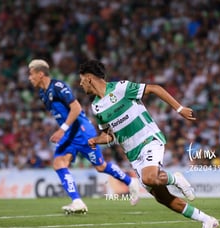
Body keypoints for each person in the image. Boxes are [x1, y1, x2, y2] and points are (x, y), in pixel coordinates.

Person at [79, 60, 219, 228]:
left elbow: (155, 88)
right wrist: (95, 141)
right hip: (133, 154)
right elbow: (110, 135)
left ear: (90, 78)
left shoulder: (120, 88)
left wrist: (180, 108)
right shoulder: (96, 107)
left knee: (149, 178)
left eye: (82, 79)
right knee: (162, 198)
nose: (80, 83)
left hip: (148, 139)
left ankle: (175, 178)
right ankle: (207, 220)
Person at [28, 59, 139, 214]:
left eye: (31, 74)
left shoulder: (58, 87)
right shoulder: (43, 93)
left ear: (40, 74)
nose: (29, 78)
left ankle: (130, 181)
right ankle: (77, 202)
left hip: (81, 131)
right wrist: (64, 130)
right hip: (69, 134)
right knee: (59, 163)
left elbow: (76, 108)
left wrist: (62, 129)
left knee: (100, 166)